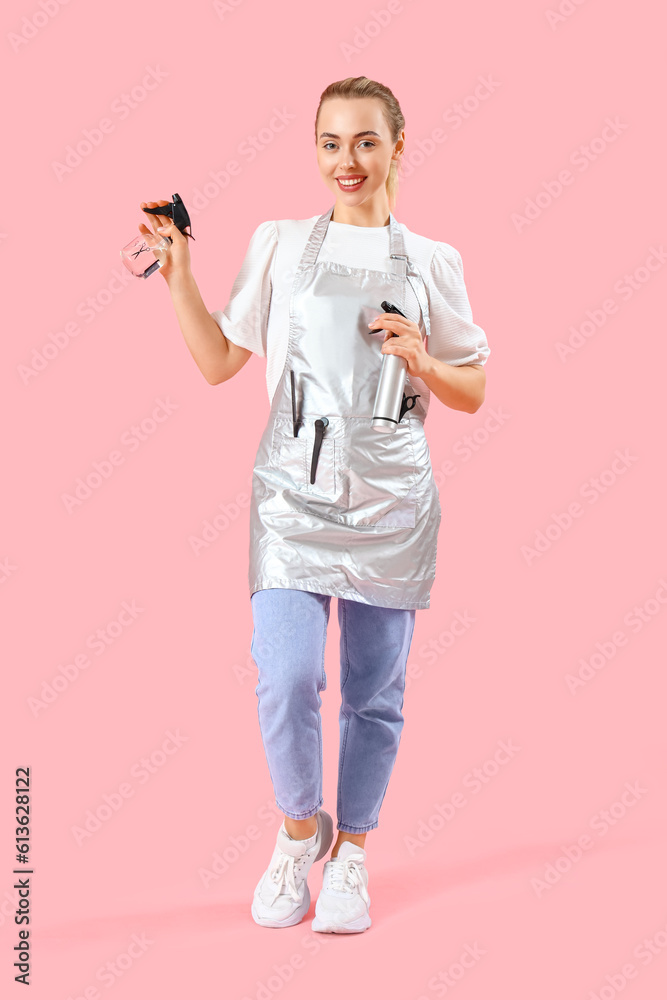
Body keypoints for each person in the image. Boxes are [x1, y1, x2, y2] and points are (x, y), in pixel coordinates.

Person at [140, 75, 490, 935]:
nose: (347, 161)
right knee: (286, 677)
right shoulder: (281, 244)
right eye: (331, 143)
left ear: (397, 147)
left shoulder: (433, 262)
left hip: (389, 502)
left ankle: (354, 856)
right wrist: (178, 271)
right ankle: (300, 833)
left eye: (366, 142)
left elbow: (473, 386)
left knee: (374, 695)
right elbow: (222, 360)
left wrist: (424, 362)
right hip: (292, 496)